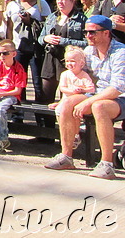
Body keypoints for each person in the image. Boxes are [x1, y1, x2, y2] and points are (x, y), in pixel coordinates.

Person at [45, 16, 125, 179]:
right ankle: (66, 156)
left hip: (120, 98)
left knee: (99, 107)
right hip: (96, 94)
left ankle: (107, 164)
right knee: (68, 103)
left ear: (106, 33)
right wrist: (68, 96)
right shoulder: (89, 51)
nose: (88, 36)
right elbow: (79, 76)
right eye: (86, 32)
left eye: (92, 32)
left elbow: (117, 88)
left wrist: (88, 101)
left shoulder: (121, 52)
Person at [38, 0, 87, 124]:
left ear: (73, 0)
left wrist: (64, 41)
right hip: (50, 59)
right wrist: (46, 39)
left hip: (70, 62)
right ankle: (46, 135)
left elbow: (87, 42)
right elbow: (40, 38)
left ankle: (67, 132)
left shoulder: (81, 19)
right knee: (46, 96)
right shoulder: (52, 17)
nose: (60, 2)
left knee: (67, 97)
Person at [5, 0, 50, 103]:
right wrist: (9, 45)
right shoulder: (12, 5)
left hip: (36, 47)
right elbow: (9, 27)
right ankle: (19, 114)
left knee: (38, 83)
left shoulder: (41, 4)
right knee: (19, 82)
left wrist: (31, 21)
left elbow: (48, 25)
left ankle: (41, 118)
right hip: (18, 47)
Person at [48, 47, 95, 115]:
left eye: (72, 61)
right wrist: (72, 91)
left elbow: (92, 89)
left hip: (79, 101)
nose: (69, 63)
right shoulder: (65, 74)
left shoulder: (84, 75)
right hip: (66, 99)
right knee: (59, 110)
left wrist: (82, 90)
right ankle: (60, 107)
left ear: (81, 63)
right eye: (67, 61)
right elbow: (62, 88)